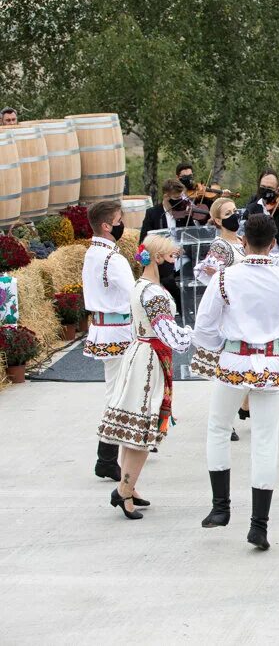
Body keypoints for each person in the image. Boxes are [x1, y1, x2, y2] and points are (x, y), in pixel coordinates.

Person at [193, 214, 279, 550]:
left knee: (219, 428)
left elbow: (204, 326)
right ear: (274, 243)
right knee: (265, 438)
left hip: (234, 357)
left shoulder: (225, 277)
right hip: (271, 361)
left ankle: (221, 508)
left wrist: (217, 342)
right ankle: (258, 525)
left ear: (244, 241)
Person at [192, 197, 279, 439]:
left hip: (247, 308)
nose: (232, 216)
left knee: (241, 368)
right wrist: (218, 276)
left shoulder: (239, 241)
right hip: (231, 311)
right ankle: (231, 418)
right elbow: (207, 272)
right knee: (227, 370)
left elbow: (269, 257)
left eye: (232, 211)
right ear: (217, 220)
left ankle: (243, 407)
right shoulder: (220, 246)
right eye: (226, 213)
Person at [98, 234, 192, 519]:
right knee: (141, 430)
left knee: (133, 430)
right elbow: (168, 333)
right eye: (173, 257)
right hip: (150, 359)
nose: (175, 263)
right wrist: (191, 336)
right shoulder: (155, 293)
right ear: (159, 258)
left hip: (139, 353)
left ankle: (130, 486)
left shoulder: (140, 287)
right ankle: (124, 492)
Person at [83, 200, 135, 482]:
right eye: (118, 219)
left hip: (106, 328)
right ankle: (106, 457)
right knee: (117, 393)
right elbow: (133, 294)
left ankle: (118, 450)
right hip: (117, 330)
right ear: (107, 226)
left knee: (119, 390)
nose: (121, 223)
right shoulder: (112, 259)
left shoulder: (92, 252)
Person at [140, 179, 211, 307]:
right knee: (167, 279)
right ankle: (182, 308)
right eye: (176, 198)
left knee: (197, 274)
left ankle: (193, 308)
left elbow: (193, 237)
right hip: (163, 258)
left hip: (183, 258)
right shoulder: (153, 214)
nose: (180, 202)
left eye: (181, 197)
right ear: (166, 197)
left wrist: (185, 247)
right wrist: (166, 250)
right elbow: (143, 241)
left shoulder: (185, 213)